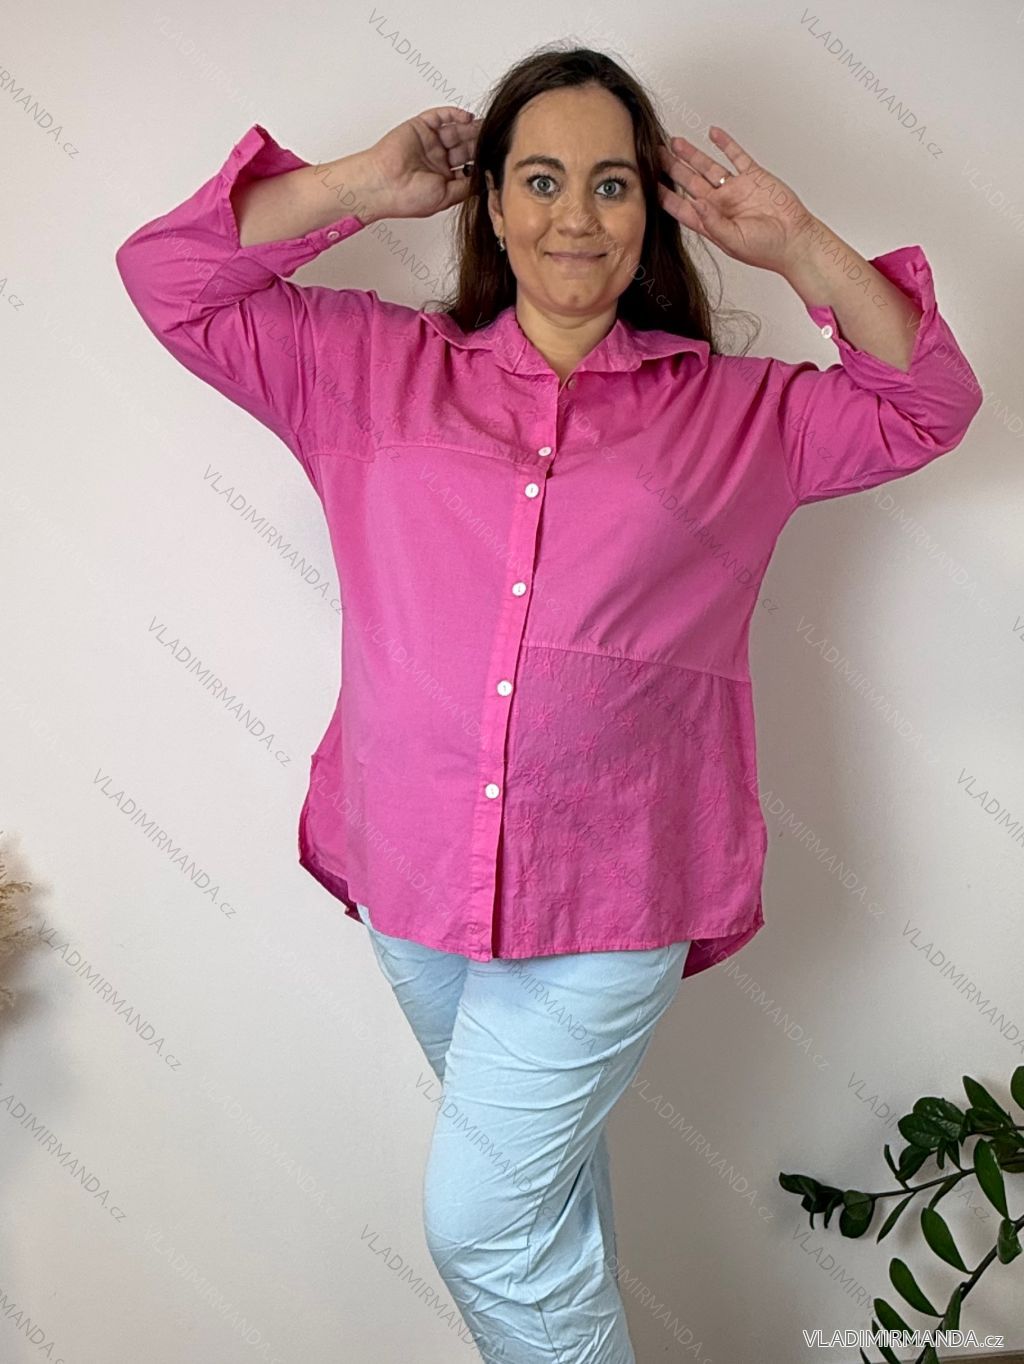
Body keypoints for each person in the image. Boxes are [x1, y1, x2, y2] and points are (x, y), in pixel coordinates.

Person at [115, 43, 982, 1364]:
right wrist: (360, 184)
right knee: (540, 1205)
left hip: (613, 893)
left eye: (611, 183)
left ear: (652, 211)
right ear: (492, 202)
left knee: (483, 1225)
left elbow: (929, 402)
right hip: (415, 880)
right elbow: (166, 277)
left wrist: (799, 244)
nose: (576, 214)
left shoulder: (740, 416)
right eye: (540, 179)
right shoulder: (366, 368)